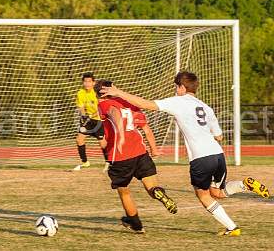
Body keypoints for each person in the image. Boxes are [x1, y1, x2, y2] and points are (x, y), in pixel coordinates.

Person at [100, 71, 270, 236]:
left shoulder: (178, 102)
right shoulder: (206, 107)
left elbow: (146, 104)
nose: (175, 90)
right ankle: (244, 185)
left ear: (181, 87)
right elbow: (219, 136)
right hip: (218, 154)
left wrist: (118, 92)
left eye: (176, 86)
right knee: (217, 192)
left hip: (200, 158)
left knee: (203, 195)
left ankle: (233, 228)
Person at [94, 79, 177, 234]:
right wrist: (154, 149)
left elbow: (115, 114)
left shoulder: (103, 104)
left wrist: (121, 136)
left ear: (99, 95)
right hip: (140, 153)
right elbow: (145, 128)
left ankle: (137, 225)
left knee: (124, 191)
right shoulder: (129, 103)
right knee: (151, 186)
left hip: (120, 157)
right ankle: (159, 193)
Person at [73, 72, 107, 171]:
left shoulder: (97, 92)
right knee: (79, 139)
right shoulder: (80, 93)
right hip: (88, 119)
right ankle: (85, 162)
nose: (87, 84)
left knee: (102, 143)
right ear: (83, 83)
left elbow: (101, 106)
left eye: (89, 82)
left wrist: (95, 113)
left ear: (93, 83)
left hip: (98, 120)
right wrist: (83, 116)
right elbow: (81, 107)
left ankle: (109, 162)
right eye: (85, 82)